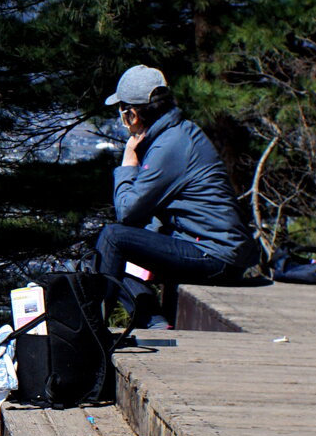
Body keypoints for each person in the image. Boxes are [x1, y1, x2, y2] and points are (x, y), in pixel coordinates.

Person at [96, 65, 259, 328]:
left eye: (121, 111)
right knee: (113, 249)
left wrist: (127, 163)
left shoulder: (168, 146)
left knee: (112, 239)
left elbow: (126, 212)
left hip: (215, 256)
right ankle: (154, 322)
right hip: (216, 250)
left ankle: (92, 328)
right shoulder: (178, 134)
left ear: (132, 115)